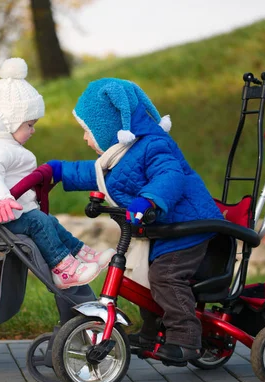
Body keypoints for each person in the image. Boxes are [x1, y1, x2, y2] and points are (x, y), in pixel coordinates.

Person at [45, 78, 223, 364]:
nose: (85, 139)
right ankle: (152, 333)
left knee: (164, 277)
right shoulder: (123, 155)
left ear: (109, 128)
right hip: (165, 231)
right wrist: (56, 171)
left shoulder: (154, 146)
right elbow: (94, 174)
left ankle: (186, 338)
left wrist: (148, 199)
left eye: (88, 131)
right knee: (143, 282)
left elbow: (170, 175)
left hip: (190, 229)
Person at [0, 58, 115, 290]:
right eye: (29, 124)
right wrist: (0, 199)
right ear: (10, 122)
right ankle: (64, 269)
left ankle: (82, 253)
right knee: (40, 222)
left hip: (14, 213)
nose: (33, 130)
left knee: (49, 222)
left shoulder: (3, 143)